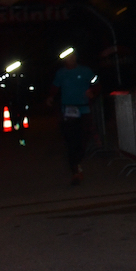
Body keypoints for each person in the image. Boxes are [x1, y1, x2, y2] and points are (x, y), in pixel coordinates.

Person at [48, 49, 97, 184]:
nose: (70, 60)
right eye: (67, 58)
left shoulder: (85, 71)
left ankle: (78, 161)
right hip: (68, 111)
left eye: (72, 57)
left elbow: (96, 83)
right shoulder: (61, 73)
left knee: (83, 139)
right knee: (70, 141)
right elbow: (55, 86)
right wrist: (51, 97)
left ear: (76, 58)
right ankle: (75, 171)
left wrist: (92, 91)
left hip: (84, 110)